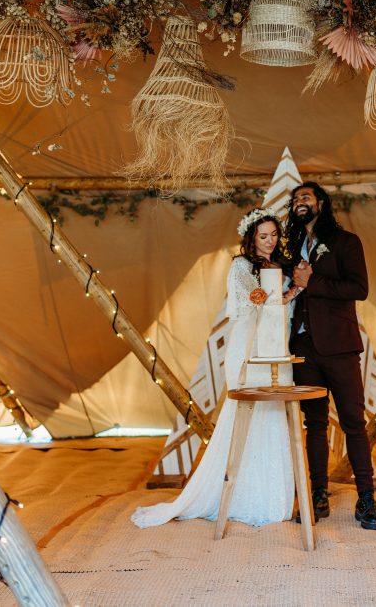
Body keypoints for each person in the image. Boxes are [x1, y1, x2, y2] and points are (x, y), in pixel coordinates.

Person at [132, 208, 302, 529]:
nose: (269, 241)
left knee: (274, 413)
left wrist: (295, 286)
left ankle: (270, 497)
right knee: (245, 416)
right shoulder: (241, 266)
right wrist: (273, 284)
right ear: (251, 238)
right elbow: (249, 301)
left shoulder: (280, 265)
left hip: (274, 346)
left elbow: (279, 303)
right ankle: (234, 494)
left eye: (274, 235)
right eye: (263, 236)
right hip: (247, 346)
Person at [286, 182, 376, 530]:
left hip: (341, 347)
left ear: (322, 203)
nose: (299, 202)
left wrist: (312, 282)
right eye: (295, 198)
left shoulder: (346, 242)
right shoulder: (291, 247)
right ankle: (318, 495)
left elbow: (359, 288)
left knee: (353, 424)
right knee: (313, 424)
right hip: (303, 349)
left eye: (306, 197)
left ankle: (366, 501)